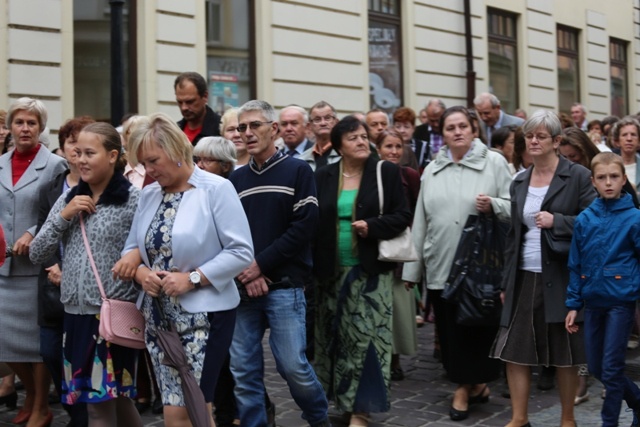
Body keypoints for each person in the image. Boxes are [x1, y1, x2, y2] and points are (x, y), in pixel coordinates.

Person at [121, 113, 253, 426]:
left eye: (153, 161)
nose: (149, 171)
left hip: (205, 317)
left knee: (193, 407)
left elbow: (241, 251)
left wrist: (192, 279)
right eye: (143, 163)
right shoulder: (150, 194)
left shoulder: (216, 189)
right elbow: (131, 249)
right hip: (160, 318)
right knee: (172, 409)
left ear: (177, 150)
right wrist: (143, 275)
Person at [402, 106, 512, 422]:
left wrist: (494, 205)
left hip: (481, 270)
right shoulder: (432, 169)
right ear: (443, 135)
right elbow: (421, 221)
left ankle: (463, 390)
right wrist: (412, 269)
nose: (458, 132)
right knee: (450, 333)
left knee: (474, 331)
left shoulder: (494, 163)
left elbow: (515, 205)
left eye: (463, 126)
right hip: (441, 264)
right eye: (451, 128)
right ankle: (477, 386)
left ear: (474, 130)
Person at [29, 122, 142, 427]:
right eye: (77, 152)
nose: (81, 160)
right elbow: (37, 253)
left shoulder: (133, 200)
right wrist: (63, 218)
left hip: (110, 319)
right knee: (114, 400)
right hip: (75, 317)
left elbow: (148, 250)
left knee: (102, 406)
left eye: (90, 153)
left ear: (112, 155)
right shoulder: (68, 199)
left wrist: (134, 256)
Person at [490, 109, 596, 427]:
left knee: (564, 353)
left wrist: (558, 222)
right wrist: (506, 282)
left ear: (556, 141)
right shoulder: (520, 180)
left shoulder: (576, 176)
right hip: (524, 275)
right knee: (513, 349)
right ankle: (519, 418)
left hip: (562, 276)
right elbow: (513, 236)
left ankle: (567, 419)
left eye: (541, 136)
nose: (533, 141)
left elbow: (597, 222)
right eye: (529, 136)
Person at [228, 100, 330, 427]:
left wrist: (261, 265)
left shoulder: (298, 170)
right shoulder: (236, 179)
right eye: (242, 127)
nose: (247, 132)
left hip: (285, 287)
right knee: (243, 371)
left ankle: (319, 419)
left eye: (255, 125)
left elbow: (304, 227)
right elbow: (229, 234)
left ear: (273, 129)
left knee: (293, 368)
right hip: (243, 289)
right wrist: (248, 271)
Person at [314, 117, 411, 425]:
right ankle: (342, 400)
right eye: (353, 137)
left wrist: (373, 226)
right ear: (339, 145)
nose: (360, 142)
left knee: (367, 340)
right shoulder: (325, 175)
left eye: (363, 136)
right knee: (335, 337)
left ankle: (361, 408)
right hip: (331, 271)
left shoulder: (386, 172)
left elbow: (402, 215)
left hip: (370, 273)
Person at [0, 97, 67, 427]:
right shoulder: (0, 163)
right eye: (19, 122)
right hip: (4, 265)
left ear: (41, 129)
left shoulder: (54, 165)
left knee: (34, 343)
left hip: (36, 265)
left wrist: (31, 233)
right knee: (6, 341)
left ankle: (40, 405)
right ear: (10, 127)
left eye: (31, 123)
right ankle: (30, 394)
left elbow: (57, 211)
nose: (24, 128)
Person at [565, 152, 640, 426]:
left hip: (621, 302)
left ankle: (609, 422)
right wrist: (573, 304)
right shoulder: (585, 218)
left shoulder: (634, 218)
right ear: (593, 182)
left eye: (614, 177)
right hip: (593, 302)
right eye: (602, 177)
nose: (608, 182)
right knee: (596, 367)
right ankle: (638, 400)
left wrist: (634, 286)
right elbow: (576, 262)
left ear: (623, 180)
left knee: (611, 368)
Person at [36, 116, 94, 427]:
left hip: (87, 292)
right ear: (64, 147)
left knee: (84, 357)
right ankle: (75, 409)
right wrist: (52, 266)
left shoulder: (101, 185)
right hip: (51, 286)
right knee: (50, 352)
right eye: (72, 143)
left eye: (84, 144)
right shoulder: (50, 189)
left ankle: (84, 416)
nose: (77, 151)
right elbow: (43, 231)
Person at [374, 129, 419, 381]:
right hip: (374, 245)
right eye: (388, 146)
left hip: (399, 248)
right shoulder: (372, 172)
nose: (394, 151)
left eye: (398, 146)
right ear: (378, 148)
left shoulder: (409, 175)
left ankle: (394, 358)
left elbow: (414, 210)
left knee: (399, 306)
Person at [175, 71, 221, 144]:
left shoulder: (222, 129)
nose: (184, 108)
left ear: (205, 96)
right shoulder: (174, 132)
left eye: (190, 102)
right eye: (180, 102)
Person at [300, 101, 341, 171]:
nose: (323, 123)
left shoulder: (345, 154)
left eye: (328, 118)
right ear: (309, 126)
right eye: (317, 119)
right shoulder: (302, 159)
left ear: (336, 122)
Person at [393, 107, 429, 171]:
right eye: (398, 127)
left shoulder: (423, 146)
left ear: (413, 128)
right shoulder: (388, 146)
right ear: (393, 128)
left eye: (406, 127)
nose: (402, 131)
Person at [612, 116, 640, 192]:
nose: (629, 139)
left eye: (633, 134)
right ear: (617, 141)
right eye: (624, 135)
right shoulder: (609, 166)